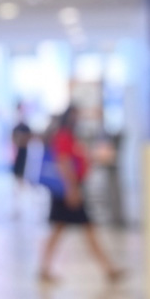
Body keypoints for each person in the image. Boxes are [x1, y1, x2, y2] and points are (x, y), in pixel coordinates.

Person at [38, 105, 122, 284]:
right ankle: (108, 268)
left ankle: (108, 268)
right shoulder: (63, 136)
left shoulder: (70, 137)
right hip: (67, 191)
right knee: (78, 228)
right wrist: (72, 189)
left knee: (77, 229)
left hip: (72, 188)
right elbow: (63, 162)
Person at [10, 104, 33, 215]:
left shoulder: (26, 127)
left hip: (25, 157)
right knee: (17, 181)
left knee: (25, 181)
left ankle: (26, 203)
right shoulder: (16, 128)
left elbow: (29, 139)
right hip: (18, 157)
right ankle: (17, 205)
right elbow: (14, 140)